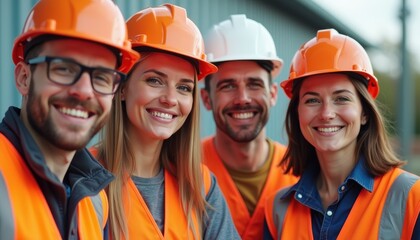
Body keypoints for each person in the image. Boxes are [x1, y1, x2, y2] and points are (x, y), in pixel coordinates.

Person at [95, 4, 240, 239]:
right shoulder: (85, 178)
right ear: (121, 87)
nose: (170, 99)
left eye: (184, 87)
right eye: (154, 81)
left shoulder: (201, 185)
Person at [0, 0, 139, 239]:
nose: (84, 91)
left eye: (102, 77)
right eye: (63, 68)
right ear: (24, 77)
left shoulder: (95, 201)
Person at [264, 28, 420, 239]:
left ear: (364, 112)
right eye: (312, 100)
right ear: (297, 113)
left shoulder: (411, 197)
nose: (326, 113)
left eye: (341, 98)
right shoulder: (277, 210)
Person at [200, 14, 298, 239]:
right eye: (227, 86)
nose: (242, 98)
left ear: (272, 94)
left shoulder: (303, 170)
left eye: (254, 84)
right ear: (206, 98)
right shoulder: (182, 167)